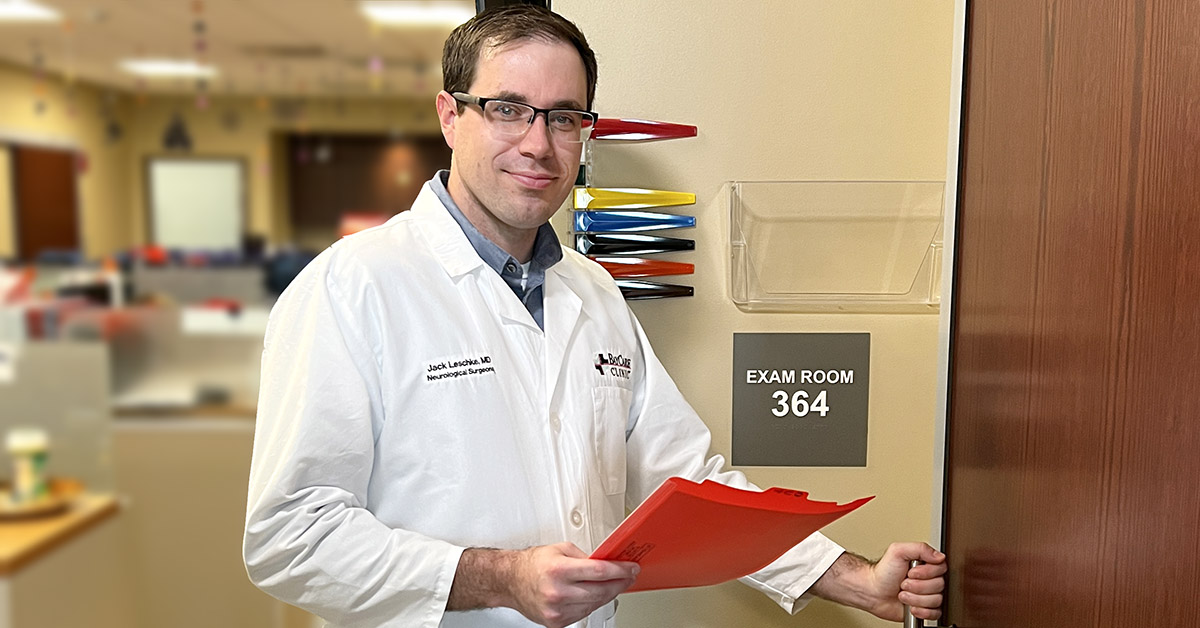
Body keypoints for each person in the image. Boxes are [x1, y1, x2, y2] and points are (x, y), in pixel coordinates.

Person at [242, 6, 947, 628]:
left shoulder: (594, 292)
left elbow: (687, 486)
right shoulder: (354, 285)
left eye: (564, 117)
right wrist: (501, 579)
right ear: (450, 117)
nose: (538, 144)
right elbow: (290, 538)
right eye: (508, 108)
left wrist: (857, 579)